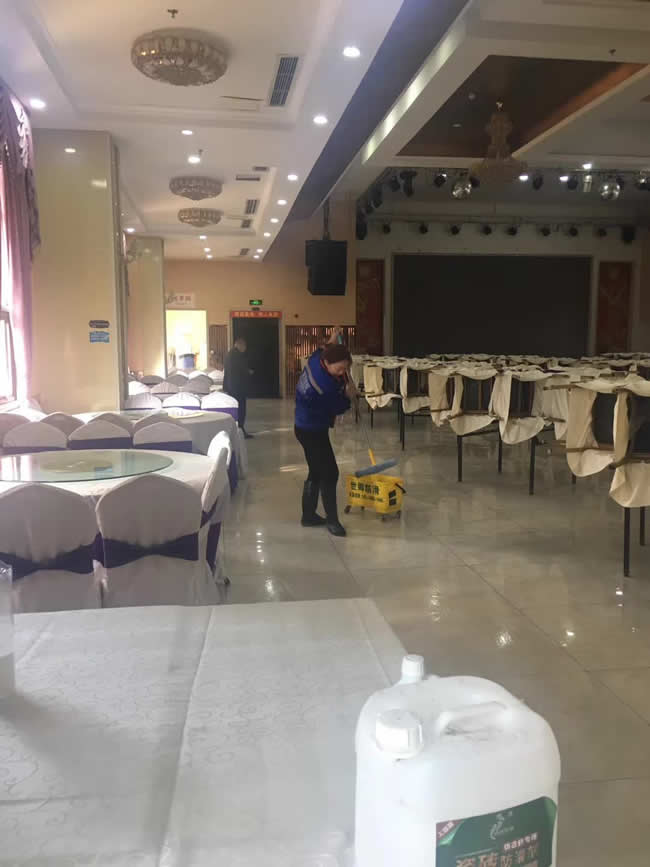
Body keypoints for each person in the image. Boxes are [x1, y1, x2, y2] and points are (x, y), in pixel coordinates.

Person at [294, 342, 355, 537]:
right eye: (340, 369)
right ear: (327, 363)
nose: (342, 372)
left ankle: (309, 516)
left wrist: (333, 338)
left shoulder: (316, 359)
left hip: (305, 424)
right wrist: (349, 395)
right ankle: (332, 520)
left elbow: (323, 348)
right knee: (330, 472)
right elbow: (339, 407)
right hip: (311, 430)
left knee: (316, 470)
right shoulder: (323, 386)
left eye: (346, 368)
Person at [224, 337, 253, 438]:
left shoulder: (229, 354)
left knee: (234, 408)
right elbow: (241, 369)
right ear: (240, 345)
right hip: (238, 387)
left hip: (231, 387)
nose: (245, 349)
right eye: (244, 347)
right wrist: (248, 371)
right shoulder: (237, 355)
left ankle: (236, 430)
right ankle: (240, 430)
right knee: (241, 409)